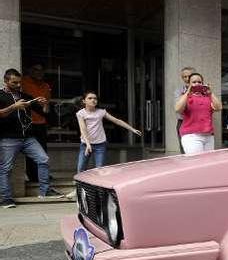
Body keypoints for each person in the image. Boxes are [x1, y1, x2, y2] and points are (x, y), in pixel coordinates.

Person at [0, 68, 64, 207]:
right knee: (5, 169)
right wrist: (13, 107)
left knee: (43, 159)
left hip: (28, 138)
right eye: (14, 82)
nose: (18, 85)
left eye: (19, 82)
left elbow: (43, 113)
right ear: (6, 81)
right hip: (8, 138)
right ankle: (6, 199)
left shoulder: (25, 96)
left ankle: (45, 191)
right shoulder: (0, 95)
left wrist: (45, 104)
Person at [76, 91, 143, 172]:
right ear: (84, 101)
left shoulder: (101, 112)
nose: (93, 100)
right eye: (90, 98)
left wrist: (132, 129)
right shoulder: (81, 113)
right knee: (81, 168)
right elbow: (83, 129)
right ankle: (81, 185)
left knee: (100, 170)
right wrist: (88, 144)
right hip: (85, 144)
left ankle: (98, 184)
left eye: (95, 98)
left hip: (100, 145)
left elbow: (117, 121)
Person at [175, 72, 221, 154]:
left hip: (208, 136)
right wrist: (188, 92)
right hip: (191, 136)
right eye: (194, 82)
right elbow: (178, 109)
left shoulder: (208, 97)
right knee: (196, 162)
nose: (197, 84)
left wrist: (211, 93)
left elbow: (218, 107)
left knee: (208, 163)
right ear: (189, 84)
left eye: (199, 82)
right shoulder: (185, 96)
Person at [21, 64, 51, 183]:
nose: (39, 72)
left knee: (42, 151)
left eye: (41, 70)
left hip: (41, 123)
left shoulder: (46, 86)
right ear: (30, 71)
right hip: (27, 122)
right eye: (35, 70)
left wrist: (46, 105)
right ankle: (32, 176)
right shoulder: (23, 82)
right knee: (30, 152)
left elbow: (47, 108)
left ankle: (42, 176)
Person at [173, 66, 194, 149]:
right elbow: (178, 109)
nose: (187, 78)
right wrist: (188, 92)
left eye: (189, 76)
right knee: (184, 150)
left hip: (198, 122)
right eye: (184, 77)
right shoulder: (178, 91)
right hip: (183, 122)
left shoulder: (203, 90)